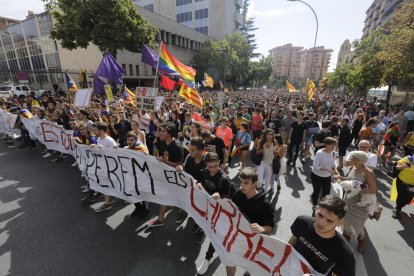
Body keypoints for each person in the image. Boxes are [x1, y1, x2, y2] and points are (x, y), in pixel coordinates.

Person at [288, 195, 355, 276]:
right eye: (320, 215)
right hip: (288, 267)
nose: (321, 222)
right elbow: (292, 240)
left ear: (339, 223)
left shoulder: (344, 253)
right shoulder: (302, 221)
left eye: (330, 221)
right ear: (316, 209)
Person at [225, 167, 274, 276]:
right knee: (230, 260)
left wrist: (262, 229)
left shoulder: (265, 205)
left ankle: (248, 272)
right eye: (240, 182)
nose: (242, 186)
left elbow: (270, 227)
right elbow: (231, 210)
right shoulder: (238, 194)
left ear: (255, 183)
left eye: (246, 183)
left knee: (250, 264)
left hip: (253, 242)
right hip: (236, 237)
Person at [196, 153, 234, 275]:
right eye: (210, 166)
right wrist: (200, 184)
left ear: (219, 162)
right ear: (206, 164)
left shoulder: (224, 179)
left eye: (216, 166)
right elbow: (202, 180)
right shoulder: (205, 171)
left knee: (215, 234)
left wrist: (220, 197)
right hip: (210, 205)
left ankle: (207, 258)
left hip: (222, 210)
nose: (213, 169)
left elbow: (227, 201)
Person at [336, 151, 377, 253]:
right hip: (349, 200)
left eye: (351, 158)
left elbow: (373, 190)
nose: (348, 159)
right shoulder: (352, 168)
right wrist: (341, 178)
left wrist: (355, 186)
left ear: (357, 160)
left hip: (361, 204)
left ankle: (361, 240)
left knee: (358, 225)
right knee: (346, 220)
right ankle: (346, 235)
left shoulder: (368, 172)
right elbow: (350, 180)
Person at [148, 122, 184, 227]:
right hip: (165, 175)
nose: (160, 133)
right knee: (166, 196)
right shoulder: (162, 142)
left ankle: (162, 218)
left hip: (175, 178)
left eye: (163, 131)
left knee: (172, 196)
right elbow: (160, 154)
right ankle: (161, 218)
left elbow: (179, 165)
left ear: (170, 133)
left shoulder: (178, 146)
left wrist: (164, 161)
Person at [91, 121, 118, 212]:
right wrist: (95, 147)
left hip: (110, 168)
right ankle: (107, 202)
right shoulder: (99, 140)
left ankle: (108, 203)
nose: (93, 132)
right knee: (105, 184)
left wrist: (103, 150)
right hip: (103, 166)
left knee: (111, 184)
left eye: (95, 130)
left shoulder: (110, 140)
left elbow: (115, 154)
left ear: (101, 130)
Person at [125, 131, 151, 219]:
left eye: (131, 140)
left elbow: (146, 160)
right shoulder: (127, 149)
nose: (129, 142)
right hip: (131, 175)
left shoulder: (142, 149)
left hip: (141, 177)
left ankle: (145, 209)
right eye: (128, 140)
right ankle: (138, 208)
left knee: (141, 193)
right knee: (131, 192)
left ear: (136, 140)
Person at [311, 137, 338, 214]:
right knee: (316, 191)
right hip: (316, 175)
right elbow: (316, 166)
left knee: (326, 193)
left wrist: (334, 168)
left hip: (327, 176)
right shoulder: (319, 153)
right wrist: (329, 170)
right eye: (332, 145)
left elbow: (333, 163)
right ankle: (315, 205)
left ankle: (321, 206)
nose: (333, 147)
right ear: (325, 144)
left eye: (334, 145)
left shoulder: (333, 153)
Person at [392, 154, 414, 219]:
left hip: (412, 185)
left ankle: (400, 206)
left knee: (408, 199)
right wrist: (403, 166)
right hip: (401, 181)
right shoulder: (408, 159)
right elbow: (397, 167)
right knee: (400, 196)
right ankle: (398, 211)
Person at [256, 128, 275, 194]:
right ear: (265, 135)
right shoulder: (260, 141)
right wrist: (263, 149)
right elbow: (257, 152)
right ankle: (258, 191)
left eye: (271, 134)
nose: (270, 136)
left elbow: (277, 153)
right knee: (260, 179)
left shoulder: (274, 142)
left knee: (268, 179)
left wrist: (277, 152)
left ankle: (265, 191)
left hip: (270, 163)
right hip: (262, 162)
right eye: (268, 134)